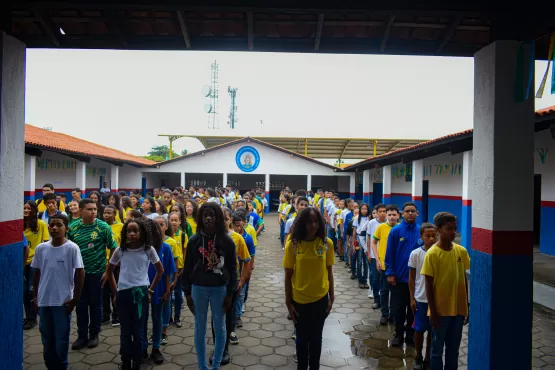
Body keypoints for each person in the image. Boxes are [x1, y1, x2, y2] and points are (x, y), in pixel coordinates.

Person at [102, 217, 164, 370]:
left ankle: (137, 361)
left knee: (138, 330)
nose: (132, 234)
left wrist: (150, 290)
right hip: (123, 293)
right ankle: (125, 361)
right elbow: (109, 271)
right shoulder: (120, 250)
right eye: (129, 231)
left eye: (135, 231)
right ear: (124, 233)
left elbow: (160, 271)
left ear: (142, 232)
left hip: (141, 293)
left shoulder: (148, 250)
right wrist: (116, 293)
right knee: (125, 330)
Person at [182, 203, 238, 370]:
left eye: (212, 215)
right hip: (198, 288)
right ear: (200, 218)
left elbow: (233, 269)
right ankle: (202, 366)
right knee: (200, 327)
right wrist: (187, 293)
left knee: (219, 326)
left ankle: (216, 366)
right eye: (205, 215)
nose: (208, 218)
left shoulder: (226, 240)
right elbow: (187, 268)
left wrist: (230, 294)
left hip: (220, 289)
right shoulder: (194, 240)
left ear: (218, 218)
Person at [283, 207, 335, 370]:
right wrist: (288, 302)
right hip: (299, 300)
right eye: (309, 222)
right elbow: (287, 275)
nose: (313, 225)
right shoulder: (293, 243)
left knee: (316, 338)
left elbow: (329, 271)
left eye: (316, 222)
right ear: (301, 223)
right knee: (302, 338)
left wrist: (331, 297)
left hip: (320, 299)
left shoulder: (326, 243)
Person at [32, 214, 85, 370]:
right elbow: (37, 274)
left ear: (66, 228)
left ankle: (62, 366)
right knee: (47, 338)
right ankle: (50, 365)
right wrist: (35, 297)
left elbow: (80, 273)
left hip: (63, 302)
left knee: (61, 339)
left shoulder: (72, 248)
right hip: (44, 301)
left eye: (59, 225)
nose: (54, 228)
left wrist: (76, 298)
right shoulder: (41, 248)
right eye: (52, 225)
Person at [422, 213, 470, 370]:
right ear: (438, 230)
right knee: (436, 350)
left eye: (455, 229)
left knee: (453, 350)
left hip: (458, 311)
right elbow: (428, 285)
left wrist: (466, 306)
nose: (453, 232)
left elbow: (463, 279)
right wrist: (433, 313)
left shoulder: (461, 251)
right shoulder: (432, 254)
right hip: (440, 312)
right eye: (449, 229)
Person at [69, 199, 118, 350]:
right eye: (90, 209)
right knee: (81, 305)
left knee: (96, 305)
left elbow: (115, 250)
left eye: (95, 209)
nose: (93, 212)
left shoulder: (103, 227)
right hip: (78, 275)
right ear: (81, 210)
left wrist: (107, 271)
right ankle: (81, 336)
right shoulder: (73, 227)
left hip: (97, 273)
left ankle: (94, 334)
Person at [208, 207, 251, 365]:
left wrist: (241, 281)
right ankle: (217, 347)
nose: (223, 222)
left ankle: (224, 349)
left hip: (231, 285)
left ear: (230, 220)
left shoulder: (237, 238)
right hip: (214, 284)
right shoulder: (211, 237)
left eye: (226, 219)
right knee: (215, 317)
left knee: (227, 317)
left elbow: (247, 261)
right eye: (221, 219)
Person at [386, 202, 421, 347]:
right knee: (399, 309)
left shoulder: (421, 231)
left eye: (413, 211)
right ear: (402, 213)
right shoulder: (395, 231)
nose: (410, 213)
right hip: (399, 278)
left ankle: (411, 335)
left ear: (417, 213)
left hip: (417, 280)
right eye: (407, 211)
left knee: (413, 309)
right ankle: (398, 334)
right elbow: (389, 253)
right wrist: (390, 273)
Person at [145, 218, 177, 364]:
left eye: (159, 226)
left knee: (157, 318)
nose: (155, 229)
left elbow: (168, 271)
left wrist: (168, 289)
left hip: (159, 288)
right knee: (142, 318)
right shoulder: (142, 248)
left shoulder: (165, 248)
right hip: (142, 289)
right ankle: (142, 346)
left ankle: (156, 348)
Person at [409, 223, 436, 370]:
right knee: (419, 329)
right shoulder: (415, 254)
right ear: (421, 236)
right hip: (421, 298)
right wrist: (412, 298)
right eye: (428, 235)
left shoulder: (439, 253)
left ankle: (428, 358)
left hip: (436, 300)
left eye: (434, 235)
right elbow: (412, 279)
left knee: (433, 330)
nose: (431, 238)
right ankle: (418, 356)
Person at [23, 200, 50, 330]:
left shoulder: (40, 224)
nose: (26, 211)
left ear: (34, 210)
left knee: (31, 289)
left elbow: (46, 242)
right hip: (22, 261)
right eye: (24, 208)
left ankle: (33, 317)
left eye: (29, 208)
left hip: (35, 261)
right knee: (24, 291)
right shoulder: (19, 224)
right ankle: (29, 316)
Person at [372, 204, 400, 325]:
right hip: (383, 266)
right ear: (386, 216)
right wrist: (377, 259)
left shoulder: (400, 228)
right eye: (389, 214)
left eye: (394, 214)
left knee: (395, 293)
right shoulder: (381, 227)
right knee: (384, 291)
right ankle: (384, 314)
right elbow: (374, 242)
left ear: (398, 216)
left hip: (398, 267)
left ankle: (393, 315)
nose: (392, 217)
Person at [156, 216, 180, 344]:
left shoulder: (171, 242)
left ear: (166, 226)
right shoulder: (151, 243)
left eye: (161, 224)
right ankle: (155, 330)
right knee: (155, 304)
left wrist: (175, 279)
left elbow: (175, 262)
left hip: (167, 278)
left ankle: (164, 331)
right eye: (156, 225)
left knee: (166, 302)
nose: (159, 227)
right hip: (154, 279)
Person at [102, 205, 123, 327]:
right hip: (102, 263)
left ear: (114, 214)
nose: (106, 215)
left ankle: (117, 315)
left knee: (115, 289)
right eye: (105, 213)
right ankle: (105, 315)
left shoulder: (120, 226)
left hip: (116, 263)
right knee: (103, 290)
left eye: (109, 213)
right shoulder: (100, 226)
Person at [366, 204, 387, 305]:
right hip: (374, 255)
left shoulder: (390, 223)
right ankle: (376, 299)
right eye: (380, 211)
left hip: (386, 256)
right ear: (377, 213)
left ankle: (384, 300)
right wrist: (369, 252)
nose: (382, 213)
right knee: (375, 279)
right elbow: (369, 239)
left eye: (384, 211)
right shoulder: (371, 223)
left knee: (385, 280)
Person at [352, 203, 370, 288]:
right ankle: (360, 280)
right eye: (362, 208)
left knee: (366, 261)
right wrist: (353, 243)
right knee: (359, 261)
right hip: (359, 239)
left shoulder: (369, 218)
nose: (364, 210)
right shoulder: (356, 218)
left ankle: (365, 279)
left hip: (367, 239)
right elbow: (354, 231)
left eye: (365, 209)